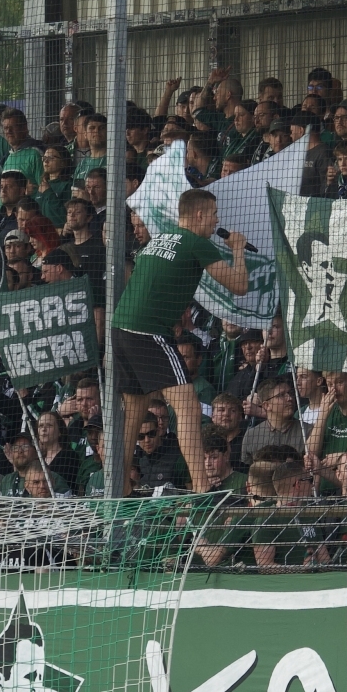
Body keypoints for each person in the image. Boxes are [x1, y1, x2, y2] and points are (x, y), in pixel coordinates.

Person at [110, 189, 249, 493]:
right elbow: (239, 285)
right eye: (213, 214)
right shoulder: (198, 243)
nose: (216, 221)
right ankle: (202, 487)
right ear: (198, 215)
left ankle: (119, 489)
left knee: (133, 411)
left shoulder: (159, 239)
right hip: (149, 331)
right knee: (187, 407)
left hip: (121, 329)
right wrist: (237, 249)